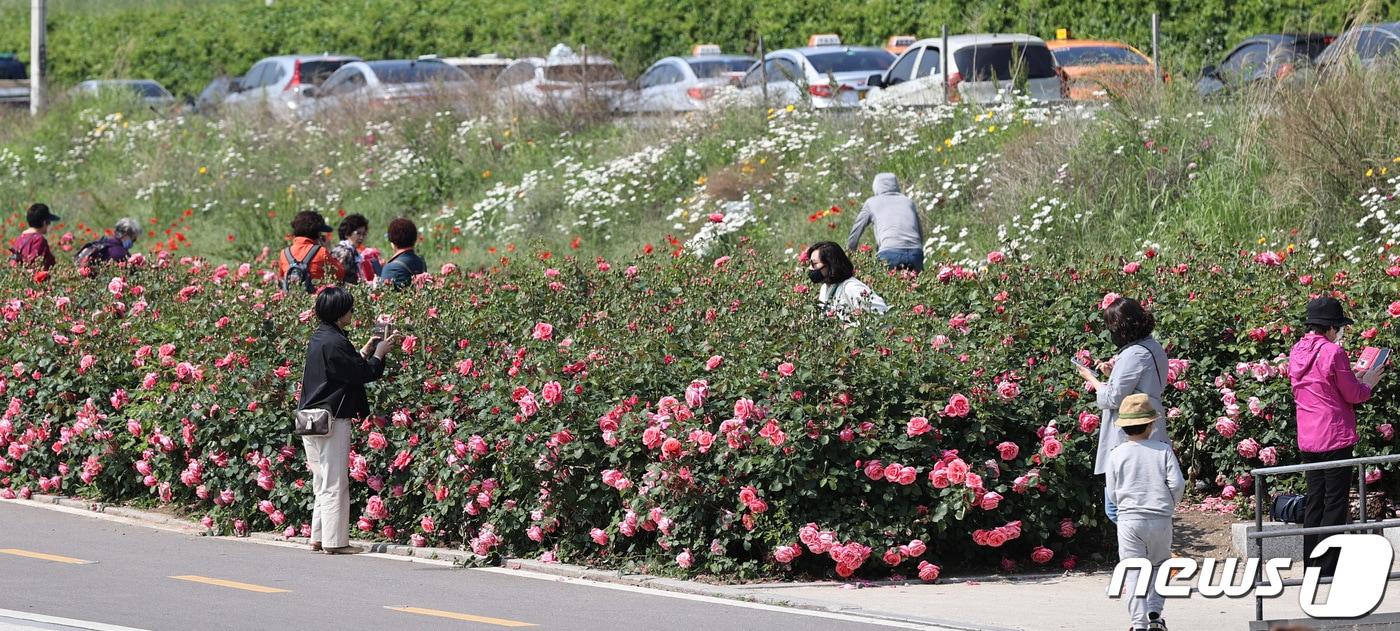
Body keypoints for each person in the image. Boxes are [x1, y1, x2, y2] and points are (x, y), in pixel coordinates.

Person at [297, 286, 402, 555]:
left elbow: (345, 369)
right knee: (334, 482)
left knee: (321, 481)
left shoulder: (321, 338)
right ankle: (335, 542)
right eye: (349, 309)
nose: (351, 313)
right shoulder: (335, 341)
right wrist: (380, 354)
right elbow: (362, 374)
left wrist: (365, 351)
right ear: (340, 312)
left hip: (311, 418)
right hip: (333, 418)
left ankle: (318, 537)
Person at [1288, 297, 1382, 577]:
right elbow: (1353, 395)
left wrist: (1353, 377)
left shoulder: (1296, 351)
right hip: (1334, 436)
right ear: (1330, 327)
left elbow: (1320, 386)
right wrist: (1368, 383)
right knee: (1335, 503)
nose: (1339, 332)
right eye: (1339, 327)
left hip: (1308, 437)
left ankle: (1311, 565)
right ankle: (1327, 567)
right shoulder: (1333, 352)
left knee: (1315, 501)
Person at [1075, 296, 1169, 522]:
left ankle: (1140, 550)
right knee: (1144, 496)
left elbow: (1111, 398)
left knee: (1118, 507)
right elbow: (1141, 382)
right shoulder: (1153, 347)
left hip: (1130, 428)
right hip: (1150, 420)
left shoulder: (1132, 354)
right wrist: (1113, 374)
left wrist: (1092, 379)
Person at [1105, 393, 1184, 631]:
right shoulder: (1162, 450)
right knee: (1160, 566)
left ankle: (1138, 623)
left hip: (1129, 518)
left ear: (1124, 427)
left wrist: (1123, 506)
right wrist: (1169, 504)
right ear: (1151, 424)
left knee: (1133, 571)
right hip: (1160, 517)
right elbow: (1177, 483)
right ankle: (1155, 614)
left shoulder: (1116, 453)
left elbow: (1112, 490)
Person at [846, 173, 925, 272]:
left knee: (883, 285)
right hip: (915, 253)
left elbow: (855, 232)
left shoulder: (871, 203)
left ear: (875, 186)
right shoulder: (908, 202)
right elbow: (920, 234)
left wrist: (849, 256)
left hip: (889, 253)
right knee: (917, 285)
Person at [804, 241, 889, 319]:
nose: (811, 268)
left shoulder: (851, 287)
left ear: (830, 264)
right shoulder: (824, 288)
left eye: (814, 264)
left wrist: (851, 327)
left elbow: (882, 312)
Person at [278, 211, 344, 292]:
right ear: (318, 234)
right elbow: (340, 274)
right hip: (315, 300)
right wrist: (328, 249)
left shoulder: (284, 253)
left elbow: (281, 278)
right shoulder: (321, 252)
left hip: (292, 301)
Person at [330, 214, 379, 285]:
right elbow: (337, 279)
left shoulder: (351, 251)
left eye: (364, 234)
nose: (361, 237)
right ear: (347, 234)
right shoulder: (344, 252)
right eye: (358, 233)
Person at [379, 217, 426, 289]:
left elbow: (382, 296)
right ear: (414, 239)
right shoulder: (421, 262)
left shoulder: (391, 269)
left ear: (392, 242)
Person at [10, 203, 60, 270]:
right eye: (48, 222)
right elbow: (37, 266)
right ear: (44, 222)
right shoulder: (39, 240)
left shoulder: (20, 238)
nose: (49, 225)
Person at [76, 218, 140, 266]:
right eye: (133, 240)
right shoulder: (120, 253)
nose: (132, 243)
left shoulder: (102, 243)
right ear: (125, 235)